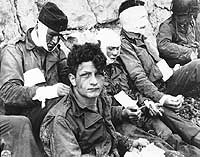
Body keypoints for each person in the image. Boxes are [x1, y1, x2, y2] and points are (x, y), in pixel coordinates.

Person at [39, 42, 158, 157]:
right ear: (73, 79)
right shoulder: (61, 120)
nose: (94, 82)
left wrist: (129, 144)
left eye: (98, 74)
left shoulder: (99, 99)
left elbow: (104, 132)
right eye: (86, 75)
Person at [97, 28, 200, 156]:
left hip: (139, 111)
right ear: (100, 46)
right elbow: (99, 110)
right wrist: (123, 113)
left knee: (167, 133)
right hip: (119, 122)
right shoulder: (94, 74)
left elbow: (132, 91)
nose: (115, 52)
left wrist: (147, 102)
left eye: (117, 48)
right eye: (111, 48)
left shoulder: (118, 66)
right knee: (154, 143)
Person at [118, 0, 200, 149]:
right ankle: (196, 137)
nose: (146, 21)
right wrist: (162, 98)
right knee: (165, 112)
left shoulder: (140, 37)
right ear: (130, 20)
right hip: (152, 92)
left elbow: (158, 61)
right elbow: (139, 78)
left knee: (197, 66)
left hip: (165, 81)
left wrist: (172, 72)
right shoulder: (125, 45)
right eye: (141, 18)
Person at [0, 1, 70, 152]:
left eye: (58, 37)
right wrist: (47, 92)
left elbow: (73, 79)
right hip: (23, 117)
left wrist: (75, 50)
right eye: (52, 36)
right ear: (39, 27)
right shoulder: (15, 51)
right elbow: (7, 92)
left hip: (51, 113)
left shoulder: (57, 52)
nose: (54, 42)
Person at [157, 0, 200, 70]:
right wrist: (188, 52)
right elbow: (163, 45)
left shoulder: (191, 23)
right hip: (177, 66)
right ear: (177, 15)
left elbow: (194, 41)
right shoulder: (167, 26)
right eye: (188, 16)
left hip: (192, 61)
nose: (190, 18)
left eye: (191, 16)